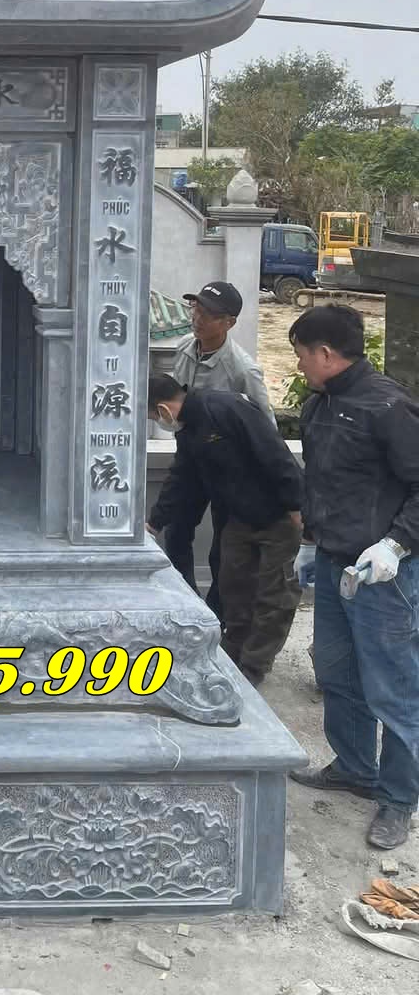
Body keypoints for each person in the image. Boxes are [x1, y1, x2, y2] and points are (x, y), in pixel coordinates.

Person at [288, 304, 419, 851]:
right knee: (338, 672)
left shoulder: (388, 406)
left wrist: (397, 544)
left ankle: (399, 797)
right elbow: (319, 480)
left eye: (301, 355)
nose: (299, 365)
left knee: (393, 687)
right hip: (332, 560)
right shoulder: (320, 404)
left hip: (383, 572)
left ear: (325, 353)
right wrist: (310, 538)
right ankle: (355, 767)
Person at [147, 374, 304, 686]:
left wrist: (297, 508)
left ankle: (255, 665)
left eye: (153, 416)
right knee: (233, 588)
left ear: (163, 409)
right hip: (237, 519)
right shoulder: (189, 431)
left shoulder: (226, 409)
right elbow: (181, 479)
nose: (157, 422)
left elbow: (274, 455)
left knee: (274, 597)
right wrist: (155, 522)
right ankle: (233, 651)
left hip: (278, 516)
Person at [165, 281, 274, 613]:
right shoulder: (185, 349)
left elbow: (265, 425)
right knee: (177, 530)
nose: (197, 319)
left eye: (208, 315)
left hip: (230, 468)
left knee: (224, 546)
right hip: (191, 459)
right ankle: (186, 603)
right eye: (195, 309)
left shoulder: (242, 369)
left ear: (229, 323)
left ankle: (217, 613)